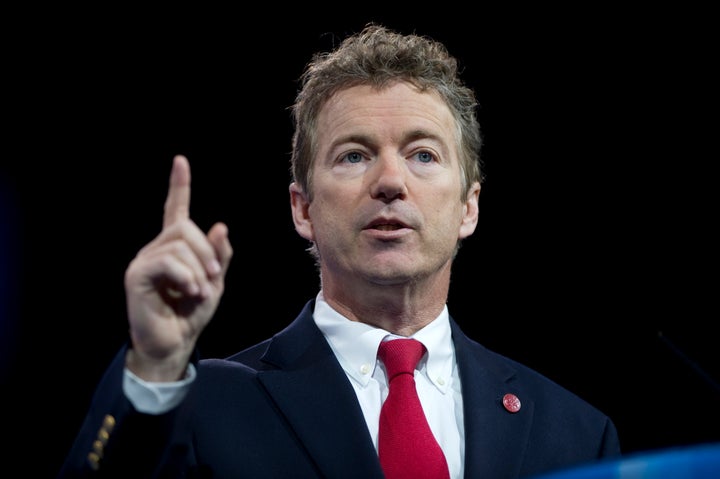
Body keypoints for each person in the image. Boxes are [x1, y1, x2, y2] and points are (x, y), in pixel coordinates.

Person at [57, 23, 621, 479]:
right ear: (302, 209)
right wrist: (155, 365)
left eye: (423, 155)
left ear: (468, 207)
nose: (390, 182)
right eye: (354, 155)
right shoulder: (205, 404)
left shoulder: (573, 431)